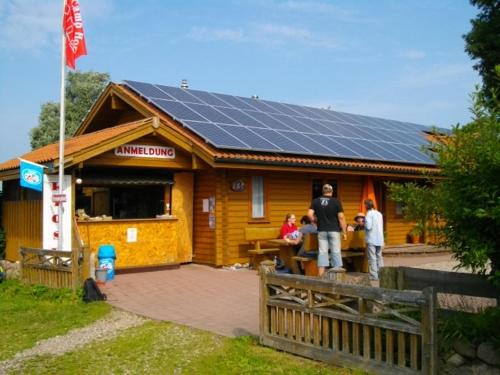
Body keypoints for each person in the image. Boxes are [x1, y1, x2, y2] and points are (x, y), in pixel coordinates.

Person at [308, 184, 347, 277]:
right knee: (336, 251)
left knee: (322, 252)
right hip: (334, 230)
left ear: (323, 191)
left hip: (322, 230)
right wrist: (344, 232)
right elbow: (341, 217)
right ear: (331, 191)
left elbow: (309, 214)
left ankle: (321, 275)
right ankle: (337, 275)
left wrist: (315, 221)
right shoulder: (336, 201)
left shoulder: (316, 201)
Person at [364, 199, 384, 280]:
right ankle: (382, 274)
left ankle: (373, 276)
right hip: (379, 238)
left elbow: (368, 226)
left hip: (371, 238)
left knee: (372, 257)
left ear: (366, 205)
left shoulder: (369, 214)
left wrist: (364, 223)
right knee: (379, 256)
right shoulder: (379, 213)